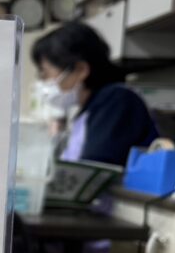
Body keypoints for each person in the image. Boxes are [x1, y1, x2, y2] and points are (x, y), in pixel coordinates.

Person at [32, 22, 157, 166]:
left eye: (46, 73)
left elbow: (94, 166)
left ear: (81, 70)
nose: (44, 81)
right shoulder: (90, 109)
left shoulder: (117, 102)